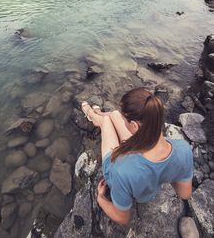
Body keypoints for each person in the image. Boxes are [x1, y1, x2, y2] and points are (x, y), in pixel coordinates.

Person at [81, 88, 193, 226]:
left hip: (118, 166)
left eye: (125, 119)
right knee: (115, 114)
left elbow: (122, 218)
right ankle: (99, 114)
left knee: (106, 122)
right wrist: (167, 172)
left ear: (134, 125)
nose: (124, 120)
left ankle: (92, 115)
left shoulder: (121, 171)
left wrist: (101, 198)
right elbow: (184, 194)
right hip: (146, 144)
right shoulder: (183, 149)